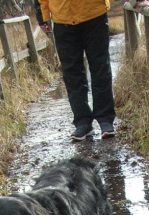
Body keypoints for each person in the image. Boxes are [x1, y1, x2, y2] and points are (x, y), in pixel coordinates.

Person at [35, 0, 117, 141]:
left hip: (94, 13)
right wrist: (42, 17)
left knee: (100, 68)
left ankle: (105, 119)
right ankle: (82, 121)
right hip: (62, 19)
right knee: (71, 73)